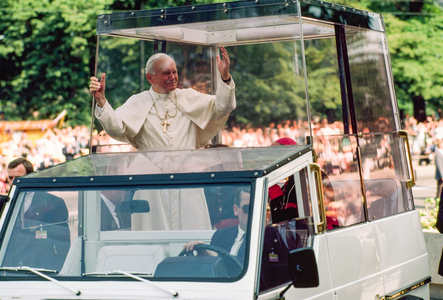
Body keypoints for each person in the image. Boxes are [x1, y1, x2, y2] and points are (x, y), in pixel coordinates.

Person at [89, 47, 236, 150]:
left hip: (187, 174)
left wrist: (225, 77)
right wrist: (101, 101)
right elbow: (116, 129)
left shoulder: (188, 96)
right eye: (166, 73)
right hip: (152, 177)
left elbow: (223, 108)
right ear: (150, 78)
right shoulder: (138, 102)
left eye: (174, 72)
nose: (172, 77)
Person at [2, 158, 70, 271]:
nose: (14, 182)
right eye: (10, 177)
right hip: (10, 270)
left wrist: (58, 269)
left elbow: (63, 243)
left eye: (18, 178)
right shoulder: (3, 204)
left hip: (43, 270)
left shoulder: (54, 203)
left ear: (31, 176)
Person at [182, 187, 250, 260]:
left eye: (258, 208)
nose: (253, 212)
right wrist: (202, 256)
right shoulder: (220, 236)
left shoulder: (263, 239)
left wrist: (216, 256)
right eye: (248, 208)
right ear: (236, 209)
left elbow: (248, 265)